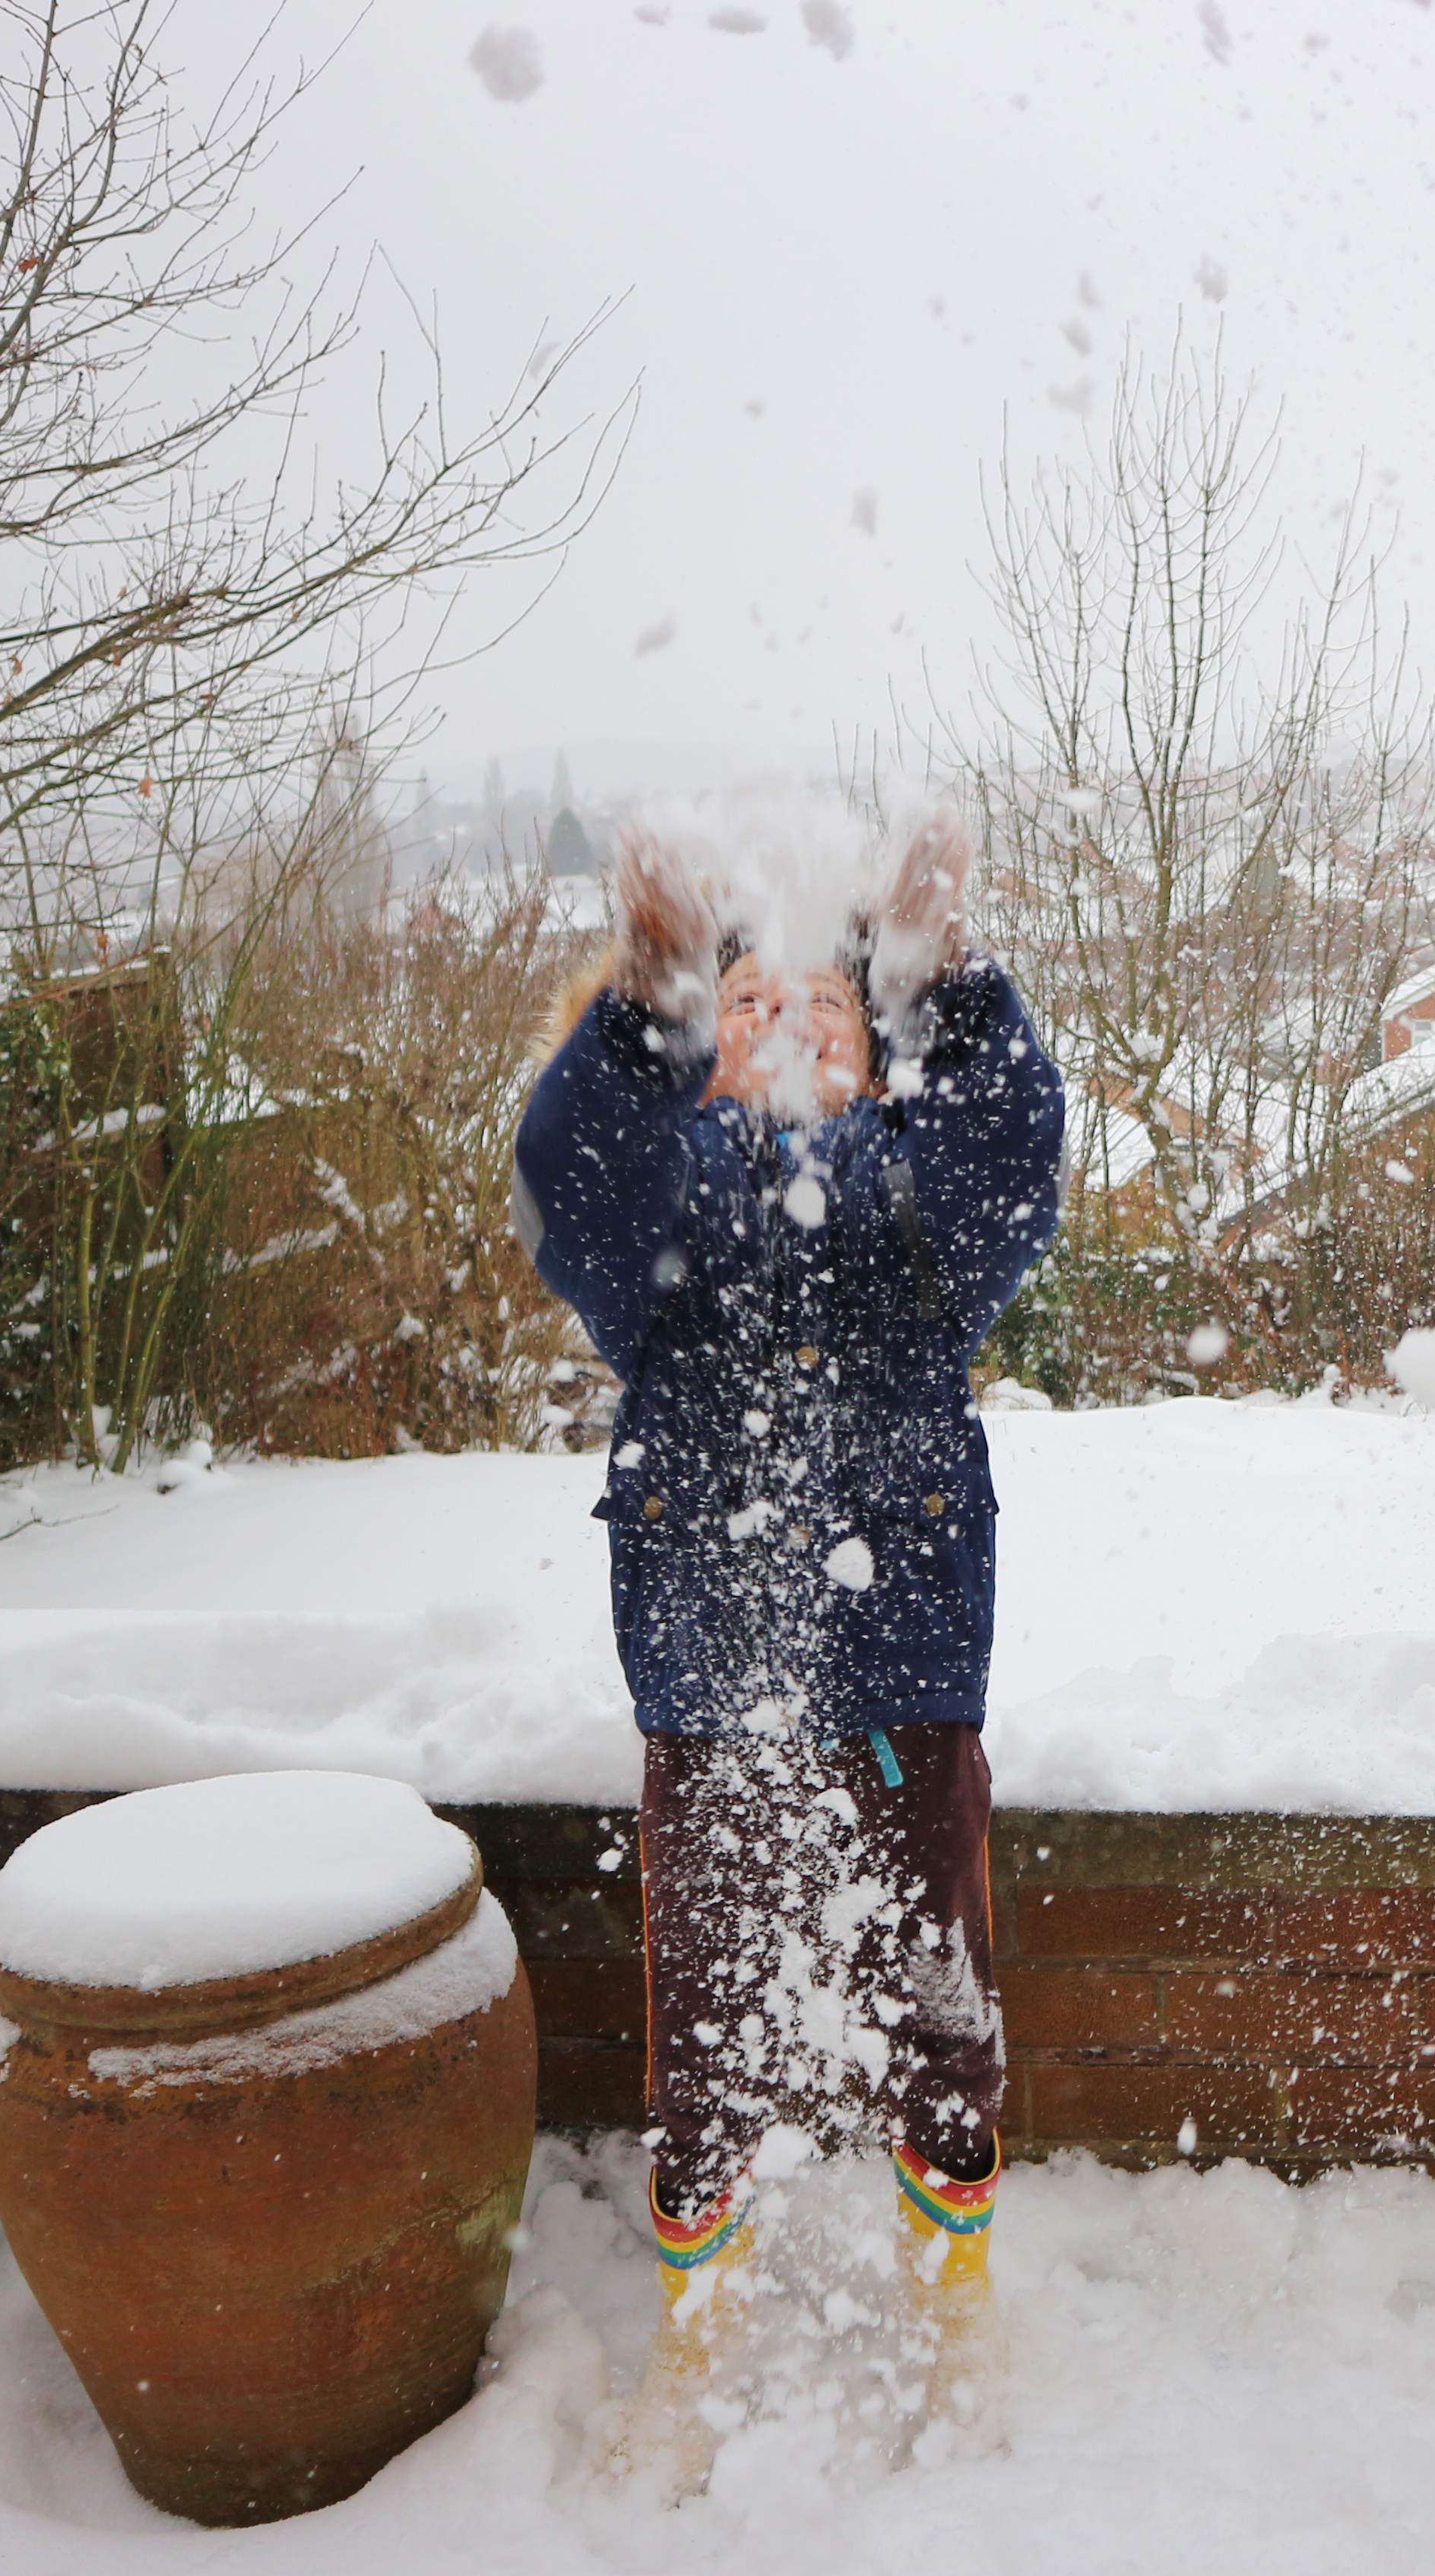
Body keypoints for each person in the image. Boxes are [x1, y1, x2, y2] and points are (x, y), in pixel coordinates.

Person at [512, 804, 1064, 2490]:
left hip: (905, 1668)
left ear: (881, 1067)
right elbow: (564, 1178)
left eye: (828, 1011)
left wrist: (941, 977)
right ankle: (699, 2336)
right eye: (750, 1013)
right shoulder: (654, 1221)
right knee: (708, 2021)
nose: (792, 1026)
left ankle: (951, 2294)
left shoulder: (920, 1204)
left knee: (940, 2000)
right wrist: (646, 996)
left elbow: (1014, 1158)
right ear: (700, 1064)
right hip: (712, 1673)